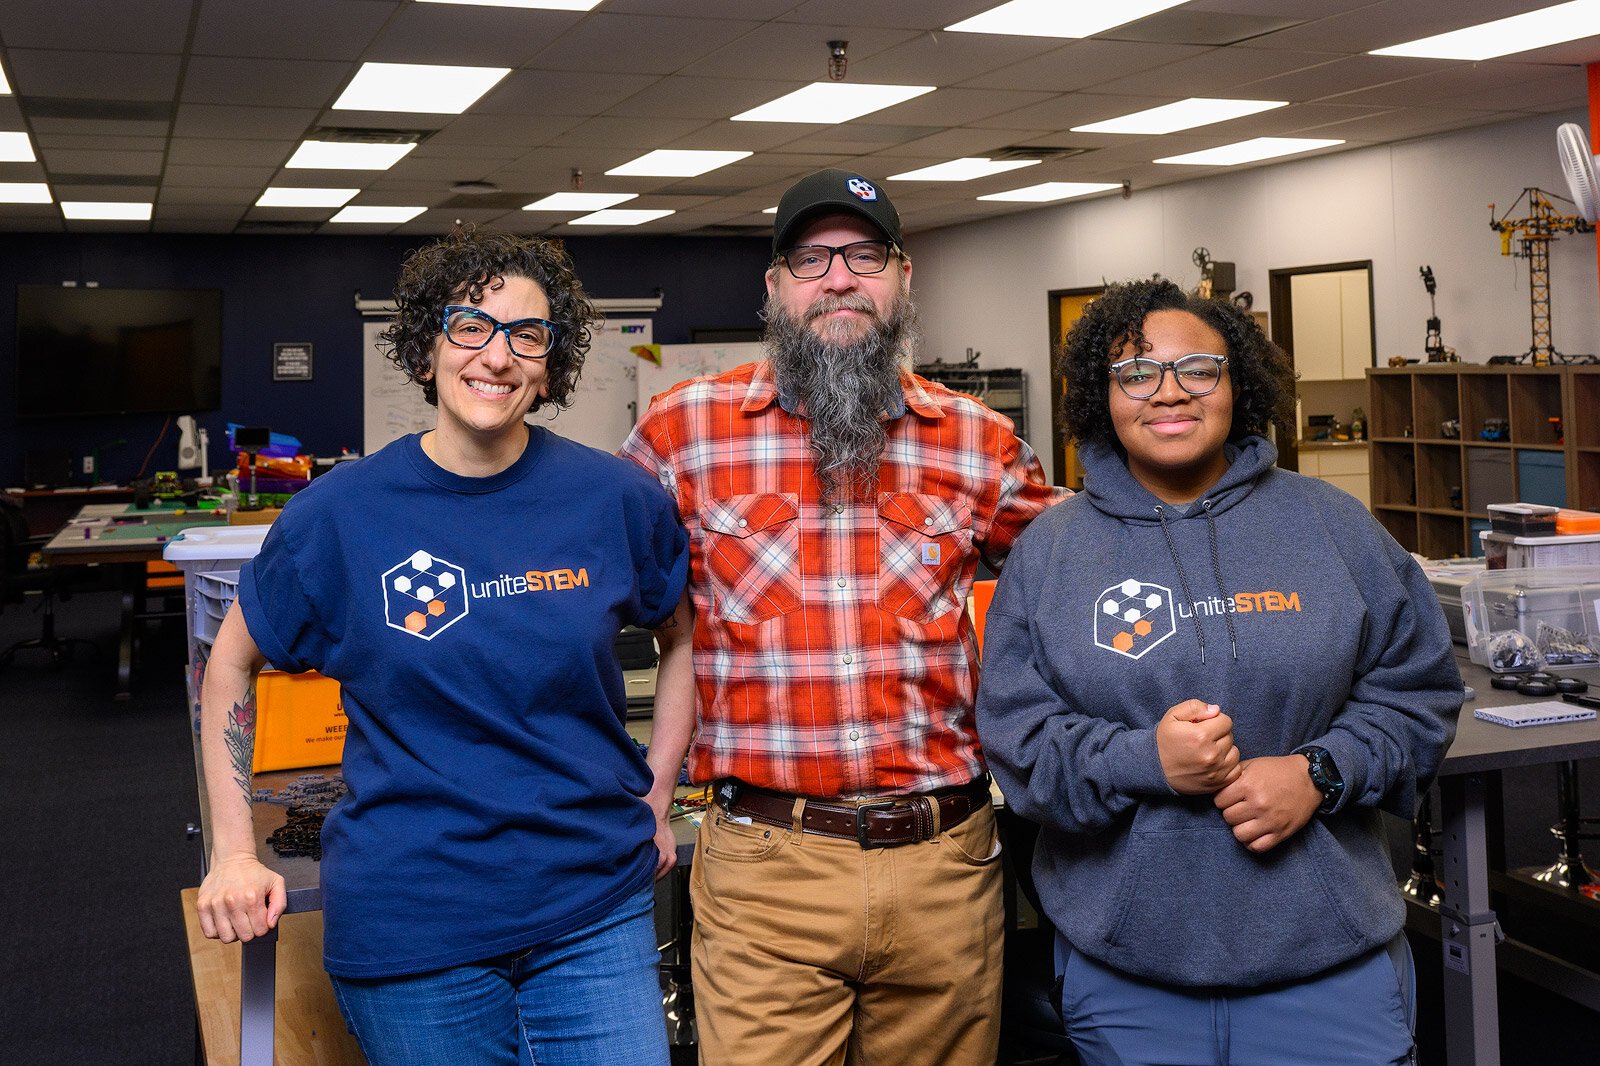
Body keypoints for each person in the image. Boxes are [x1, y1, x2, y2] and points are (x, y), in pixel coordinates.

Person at [193, 227, 692, 1066]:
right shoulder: (340, 513)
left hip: (592, 907)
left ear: (550, 363)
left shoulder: (615, 498)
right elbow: (230, 664)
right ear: (427, 348)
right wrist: (234, 853)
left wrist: (659, 793)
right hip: (414, 922)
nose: (497, 356)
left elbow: (680, 638)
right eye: (470, 326)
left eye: (526, 335)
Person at [620, 168, 1068, 1066]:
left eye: (866, 256)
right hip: (765, 870)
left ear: (904, 279)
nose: (840, 279)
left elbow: (1095, 576)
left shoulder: (976, 441)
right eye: (812, 258)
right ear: (776, 287)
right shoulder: (685, 432)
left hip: (947, 866)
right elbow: (578, 601)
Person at [975, 277, 1462, 1065]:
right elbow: (1022, 747)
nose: (1169, 393)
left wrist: (1320, 772)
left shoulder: (1332, 524)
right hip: (1128, 974)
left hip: (1328, 965)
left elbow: (1419, 695)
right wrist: (1147, 761)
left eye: (1198, 368)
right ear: (1105, 397)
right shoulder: (1050, 554)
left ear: (1238, 382)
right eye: (1137, 372)